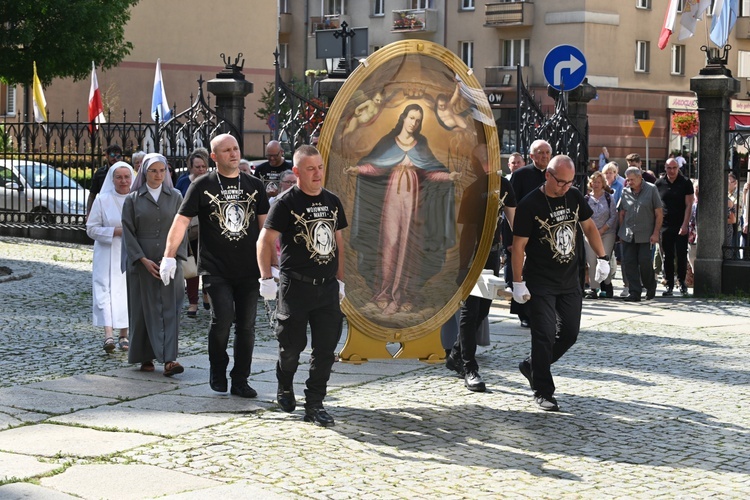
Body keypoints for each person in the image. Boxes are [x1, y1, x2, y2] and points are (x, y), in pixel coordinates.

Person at [161, 133, 269, 397]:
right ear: (214, 156)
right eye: (226, 150)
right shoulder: (201, 185)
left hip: (249, 269)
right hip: (215, 267)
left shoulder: (255, 185)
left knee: (247, 326)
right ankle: (217, 368)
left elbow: (266, 229)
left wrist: (271, 269)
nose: (233, 154)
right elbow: (181, 222)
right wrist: (168, 256)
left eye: (235, 149)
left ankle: (241, 379)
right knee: (222, 319)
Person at [257, 145, 347, 427]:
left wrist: (341, 281)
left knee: (325, 349)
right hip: (295, 288)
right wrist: (266, 279)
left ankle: (315, 403)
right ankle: (285, 383)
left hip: (327, 288)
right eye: (310, 168)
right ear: (296, 172)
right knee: (292, 347)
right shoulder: (285, 203)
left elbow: (339, 243)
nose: (317, 173)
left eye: (320, 167)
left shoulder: (332, 201)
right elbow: (265, 241)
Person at [512, 155, 609, 411]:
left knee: (569, 334)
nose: (565, 187)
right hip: (540, 281)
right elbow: (518, 246)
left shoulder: (575, 196)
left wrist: (603, 258)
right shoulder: (529, 204)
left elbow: (588, 227)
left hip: (569, 280)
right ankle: (543, 390)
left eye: (569, 182)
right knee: (542, 335)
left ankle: (533, 365)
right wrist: (517, 282)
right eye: (561, 182)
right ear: (548, 176)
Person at [346, 103, 458, 315]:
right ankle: (384, 292)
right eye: (411, 118)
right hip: (392, 198)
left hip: (414, 199)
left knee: (409, 245)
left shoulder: (421, 144)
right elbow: (376, 166)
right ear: (403, 118)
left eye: (417, 119)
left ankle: (405, 294)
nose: (413, 123)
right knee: (390, 243)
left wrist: (448, 176)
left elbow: (431, 171)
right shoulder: (389, 142)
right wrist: (357, 168)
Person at [445, 144, 516, 392]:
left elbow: (512, 220)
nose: (487, 162)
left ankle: (456, 354)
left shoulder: (504, 185)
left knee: (483, 308)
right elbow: (464, 232)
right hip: (472, 257)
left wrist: (518, 250)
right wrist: (464, 265)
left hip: (492, 256)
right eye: (482, 158)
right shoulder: (472, 188)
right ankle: (469, 365)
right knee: (470, 310)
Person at [122, 153, 186, 376]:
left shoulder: (176, 196)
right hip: (142, 261)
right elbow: (128, 233)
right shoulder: (132, 199)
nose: (158, 175)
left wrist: (175, 258)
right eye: (153, 171)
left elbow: (182, 228)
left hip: (169, 259)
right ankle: (144, 356)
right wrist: (141, 260)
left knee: (171, 309)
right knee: (141, 309)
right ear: (144, 173)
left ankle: (170, 360)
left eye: (162, 171)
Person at [86, 161, 134, 353]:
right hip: (107, 252)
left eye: (126, 176)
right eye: (119, 177)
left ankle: (124, 333)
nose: (123, 181)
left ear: (132, 178)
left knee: (127, 291)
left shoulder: (137, 198)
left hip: (129, 251)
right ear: (112, 179)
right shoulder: (102, 199)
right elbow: (91, 229)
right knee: (104, 291)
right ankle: (108, 335)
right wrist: (115, 231)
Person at [509, 139, 552, 327]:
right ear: (532, 156)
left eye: (547, 153)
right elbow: (510, 207)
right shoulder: (520, 175)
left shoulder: (555, 174)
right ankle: (524, 314)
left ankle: (544, 313)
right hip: (524, 232)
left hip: (547, 233)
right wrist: (511, 238)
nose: (544, 156)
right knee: (523, 274)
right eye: (540, 153)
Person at [618, 166, 663, 302]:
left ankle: (650, 286)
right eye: (627, 179)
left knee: (644, 262)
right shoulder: (625, 191)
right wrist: (621, 231)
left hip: (646, 234)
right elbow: (621, 212)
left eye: (632, 179)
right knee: (629, 263)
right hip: (628, 234)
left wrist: (656, 233)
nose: (629, 182)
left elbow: (659, 213)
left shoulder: (652, 189)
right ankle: (634, 292)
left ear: (639, 177)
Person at [175, 148, 210, 317]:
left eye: (204, 166)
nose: (201, 170)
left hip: (209, 230)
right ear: (191, 167)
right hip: (190, 231)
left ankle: (207, 294)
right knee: (191, 265)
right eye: (198, 167)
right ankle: (193, 302)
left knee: (209, 264)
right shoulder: (183, 182)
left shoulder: (212, 181)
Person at [655, 158, 694, 297]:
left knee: (682, 255)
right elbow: (656, 205)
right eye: (669, 168)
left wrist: (685, 224)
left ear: (678, 168)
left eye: (674, 168)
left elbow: (689, 204)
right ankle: (669, 283)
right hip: (665, 225)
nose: (671, 171)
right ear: (665, 168)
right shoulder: (659, 184)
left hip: (680, 224)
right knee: (667, 256)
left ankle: (682, 282)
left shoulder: (685, 183)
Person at [583, 171, 617, 299]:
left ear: (603, 184)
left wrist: (602, 229)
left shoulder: (609, 198)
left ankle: (607, 286)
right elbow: (583, 217)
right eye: (594, 182)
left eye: (599, 182)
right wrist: (591, 231)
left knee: (603, 259)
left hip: (607, 233)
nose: (596, 184)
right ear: (590, 183)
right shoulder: (586, 199)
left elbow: (614, 215)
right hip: (590, 234)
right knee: (591, 261)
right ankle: (594, 288)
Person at [87, 144, 123, 215]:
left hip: (121, 208)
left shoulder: (125, 172)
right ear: (106, 155)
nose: (115, 158)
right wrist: (89, 213)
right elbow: (92, 194)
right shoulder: (100, 173)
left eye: (118, 156)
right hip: (104, 209)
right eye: (112, 155)